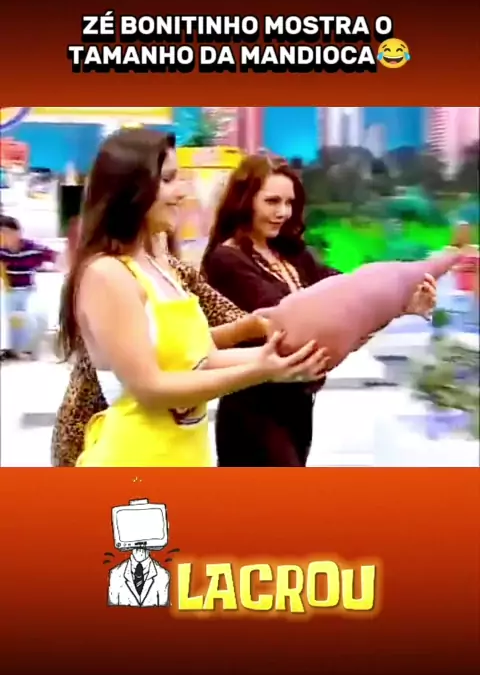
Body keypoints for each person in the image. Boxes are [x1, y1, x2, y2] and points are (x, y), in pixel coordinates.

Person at [58, 129, 328, 468]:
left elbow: (201, 357)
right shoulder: (107, 274)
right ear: (131, 188)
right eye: (168, 180)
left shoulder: (162, 267)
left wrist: (279, 361)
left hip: (185, 457)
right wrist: (259, 370)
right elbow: (150, 388)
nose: (182, 191)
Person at [202, 155, 437, 467]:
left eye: (289, 202)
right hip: (254, 409)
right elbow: (287, 321)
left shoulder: (292, 255)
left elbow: (351, 296)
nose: (283, 212)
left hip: (298, 406)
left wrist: (403, 302)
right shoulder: (227, 260)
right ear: (245, 201)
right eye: (272, 201)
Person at [52, 232, 270, 467]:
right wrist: (258, 363)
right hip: (115, 438)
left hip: (177, 446)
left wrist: (270, 349)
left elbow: (197, 346)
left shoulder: (167, 269)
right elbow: (151, 383)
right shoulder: (108, 274)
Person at [0, 215, 56, 360]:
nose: (5, 237)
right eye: (2, 233)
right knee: (7, 317)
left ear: (18, 232)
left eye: (7, 233)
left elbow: (55, 256)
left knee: (37, 315)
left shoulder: (33, 249)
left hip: (28, 290)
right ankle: (10, 348)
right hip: (9, 291)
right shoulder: (2, 251)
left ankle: (27, 348)